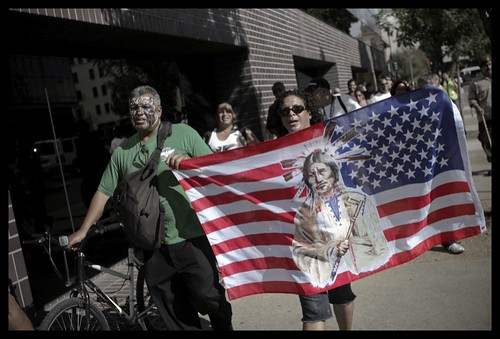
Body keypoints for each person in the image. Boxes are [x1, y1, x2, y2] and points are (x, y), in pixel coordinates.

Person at [66, 85, 233, 330]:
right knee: (173, 311)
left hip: (190, 235)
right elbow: (103, 192)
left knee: (207, 297)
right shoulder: (122, 151)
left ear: (159, 109)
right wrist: (83, 230)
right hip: (151, 245)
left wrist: (190, 163)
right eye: (134, 107)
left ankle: (222, 322)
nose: (139, 112)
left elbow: (214, 169)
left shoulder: (183, 134)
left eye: (146, 106)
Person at [274, 88, 356, 331]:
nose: (291, 114)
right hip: (304, 238)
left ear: (309, 112)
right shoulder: (272, 151)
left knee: (343, 294)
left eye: (297, 109)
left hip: (335, 231)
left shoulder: (327, 138)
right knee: (313, 309)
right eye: (285, 111)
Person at [292, 150, 390, 288]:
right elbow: (300, 251)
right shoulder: (305, 213)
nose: (319, 179)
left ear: (333, 171)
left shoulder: (360, 200)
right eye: (312, 175)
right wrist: (331, 250)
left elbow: (379, 244)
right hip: (331, 275)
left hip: (368, 273)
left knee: (346, 302)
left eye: (322, 171)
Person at [417, 73, 466, 255]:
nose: (426, 93)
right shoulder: (413, 107)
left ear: (438, 86)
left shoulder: (446, 104)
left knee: (445, 198)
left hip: (444, 162)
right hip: (421, 164)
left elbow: (458, 131)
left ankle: (450, 238)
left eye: (430, 88)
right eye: (421, 89)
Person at [74, 119, 111, 209]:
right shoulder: (91, 139)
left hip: (93, 174)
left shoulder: (83, 141)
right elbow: (105, 155)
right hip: (95, 174)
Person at [469, 54, 492, 166]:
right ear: (481, 68)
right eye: (485, 65)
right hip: (486, 118)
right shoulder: (475, 83)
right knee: (487, 142)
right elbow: (472, 99)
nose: (489, 67)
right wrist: (478, 107)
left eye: (490, 64)